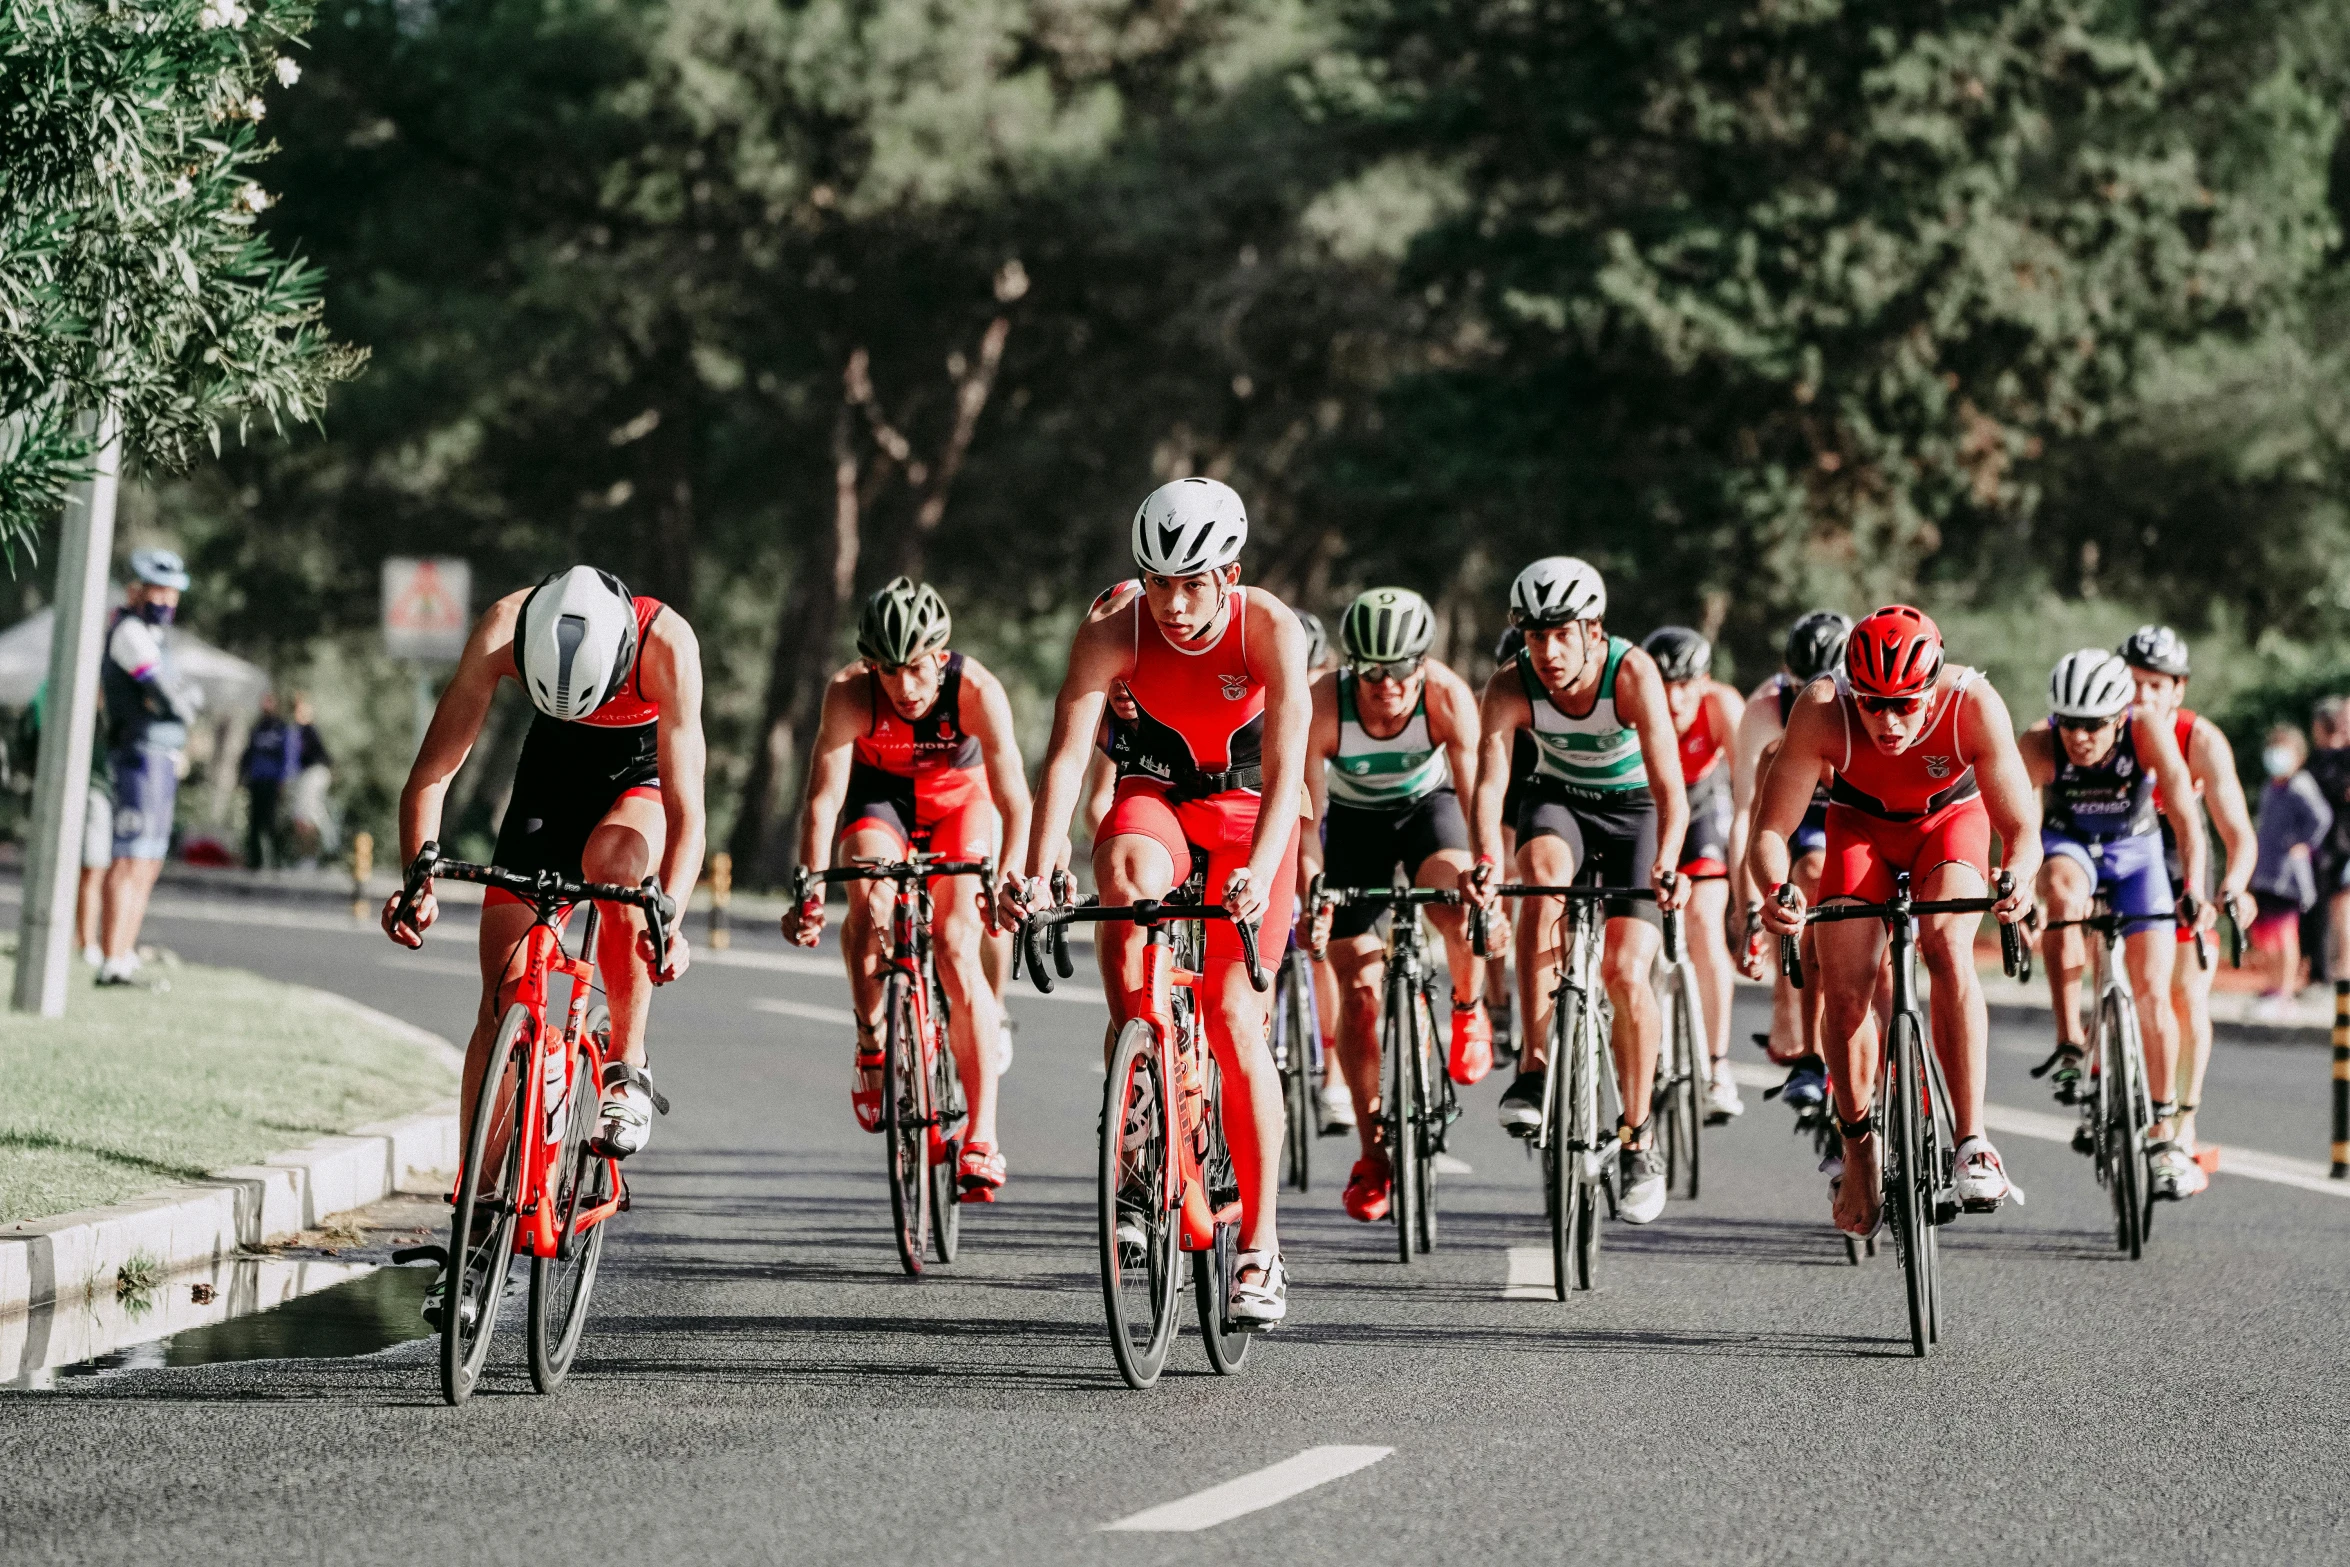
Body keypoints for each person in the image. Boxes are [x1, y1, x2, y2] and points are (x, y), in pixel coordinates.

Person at [1006, 476, 1310, 1327]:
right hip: (1158, 796)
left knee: (1232, 1014)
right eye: (1158, 582)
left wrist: (1259, 867)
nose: (1172, 605)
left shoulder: (1271, 628)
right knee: (1125, 883)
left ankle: (1260, 1244)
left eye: (1191, 583)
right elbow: (1066, 761)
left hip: (1252, 810)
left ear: (1230, 573)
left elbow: (1289, 776)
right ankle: (1144, 1085)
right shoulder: (1115, 622)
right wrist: (1038, 868)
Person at [382, 566, 705, 1319]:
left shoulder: (668, 643)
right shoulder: (502, 625)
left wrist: (672, 917)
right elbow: (430, 776)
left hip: (641, 783)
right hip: (550, 778)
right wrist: (417, 881)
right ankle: (475, 1225)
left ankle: (625, 1062)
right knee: (503, 995)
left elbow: (688, 815)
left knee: (618, 868)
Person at [1751, 605, 2040, 1235]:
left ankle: (1972, 1141)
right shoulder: (1823, 707)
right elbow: (1772, 830)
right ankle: (1858, 1150)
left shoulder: (1973, 703)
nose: (1888, 721)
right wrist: (1775, 890)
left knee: (1945, 944)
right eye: (1874, 704)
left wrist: (2017, 877)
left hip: (1948, 825)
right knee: (1847, 986)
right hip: (1859, 830)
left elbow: (2020, 826)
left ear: (1933, 686)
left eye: (1906, 703)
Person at [784, 577, 1031, 1200]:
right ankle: (872, 1039)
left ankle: (981, 1137)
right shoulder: (849, 694)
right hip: (881, 805)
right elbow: (823, 800)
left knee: (954, 944)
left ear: (941, 657)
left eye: (918, 668)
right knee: (865, 891)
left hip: (960, 806)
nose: (906, 687)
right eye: (888, 671)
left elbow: (1015, 802)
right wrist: (809, 887)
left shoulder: (975, 689)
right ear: (870, 666)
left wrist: (1011, 873)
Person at [1466, 557, 1689, 1226]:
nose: (1550, 651)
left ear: (1595, 630)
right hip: (1559, 801)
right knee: (1540, 883)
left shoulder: (1633, 673)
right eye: (1536, 635)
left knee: (1625, 971)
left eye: (1563, 634)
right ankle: (1533, 1068)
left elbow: (1671, 787)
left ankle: (1638, 1135)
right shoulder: (1510, 683)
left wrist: (1671, 859)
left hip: (1635, 814)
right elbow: (1488, 783)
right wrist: (1482, 854)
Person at [1298, 586, 1485, 1224]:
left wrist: (1486, 873)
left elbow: (1476, 795)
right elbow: (1307, 816)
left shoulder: (1446, 697)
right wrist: (1313, 890)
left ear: (1421, 663)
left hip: (1428, 811)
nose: (1387, 685)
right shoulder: (1324, 702)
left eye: (1401, 668)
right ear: (1353, 668)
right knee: (1358, 987)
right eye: (1371, 671)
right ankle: (1373, 1154)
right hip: (1353, 825)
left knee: (1457, 902)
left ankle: (1468, 1008)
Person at [2018, 649, 2211, 1200]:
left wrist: (2193, 887)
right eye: (2068, 723)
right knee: (2061, 895)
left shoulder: (2147, 731)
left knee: (2153, 993)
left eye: (2093, 725)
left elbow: (2185, 817)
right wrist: (2020, 892)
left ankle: (2165, 1131)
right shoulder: (2037, 742)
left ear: (2120, 717)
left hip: (2137, 852)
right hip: (2067, 847)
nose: (2079, 737)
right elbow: (2018, 826)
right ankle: (2070, 1039)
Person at [2117, 625, 2258, 1160]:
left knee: (2186, 994)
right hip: (2115, 853)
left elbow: (2237, 832)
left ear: (2178, 689)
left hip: (2179, 861)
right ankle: (2106, 1056)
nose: (2143, 696)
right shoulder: (2100, 728)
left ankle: (2183, 1120)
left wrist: (2235, 885)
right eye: (2133, 682)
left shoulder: (2201, 739)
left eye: (2156, 685)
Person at [1726, 610, 1850, 1109]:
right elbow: (1746, 818)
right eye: (1799, 685)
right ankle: (1797, 1022)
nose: (1810, 700)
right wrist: (1746, 909)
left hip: (1854, 817)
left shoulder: (1872, 704)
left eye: (1824, 685)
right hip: (1799, 824)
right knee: (1805, 879)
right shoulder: (1763, 710)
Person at [1642, 625, 1745, 1122]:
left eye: (1685, 684)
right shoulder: (1633, 706)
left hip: (1703, 806)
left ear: (1703, 682)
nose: (1673, 698)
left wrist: (1747, 896)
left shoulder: (1723, 706)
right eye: (1663, 684)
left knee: (1705, 922)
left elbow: (1748, 801)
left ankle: (1717, 1063)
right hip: (1648, 808)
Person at [96, 548, 205, 989]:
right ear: (136, 590)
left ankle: (125, 952)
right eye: (158, 591)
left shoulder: (154, 638)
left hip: (160, 756)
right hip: (139, 754)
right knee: (130, 858)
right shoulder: (130, 633)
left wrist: (178, 701)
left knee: (150, 860)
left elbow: (180, 698)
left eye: (173, 593)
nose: (166, 601)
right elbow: (168, 696)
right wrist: (175, 701)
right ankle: (112, 959)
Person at [23, 678, 112, 965]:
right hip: (90, 787)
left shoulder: (49, 689)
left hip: (67, 786)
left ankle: (73, 937)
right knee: (91, 868)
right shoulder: (69, 690)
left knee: (72, 868)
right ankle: (85, 941)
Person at [2247, 724, 2331, 1018]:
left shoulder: (2301, 785)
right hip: (2266, 873)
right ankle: (2270, 988)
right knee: (2265, 935)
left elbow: (2321, 818)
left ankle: (2284, 993)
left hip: (2289, 878)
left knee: (2285, 935)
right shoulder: (2272, 785)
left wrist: (2302, 843)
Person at [2303, 697, 2350, 983]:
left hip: (2344, 847)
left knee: (2342, 908)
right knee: (2324, 910)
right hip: (2326, 847)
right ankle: (2326, 969)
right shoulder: (2326, 759)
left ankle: (2344, 968)